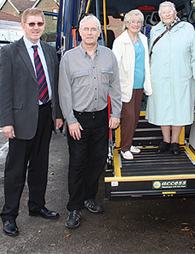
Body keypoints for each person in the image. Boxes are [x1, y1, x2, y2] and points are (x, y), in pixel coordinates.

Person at [0, 8, 63, 236]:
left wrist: (57, 114)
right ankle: (9, 216)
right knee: (15, 172)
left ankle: (37, 206)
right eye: (32, 24)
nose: (36, 27)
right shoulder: (9, 52)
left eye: (40, 24)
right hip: (20, 120)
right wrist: (6, 122)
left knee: (40, 166)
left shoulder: (49, 50)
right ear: (23, 25)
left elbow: (54, 84)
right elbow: (3, 90)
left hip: (45, 115)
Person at [58, 14, 122, 229]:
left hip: (102, 117)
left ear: (99, 32)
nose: (89, 33)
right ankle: (74, 207)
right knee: (77, 163)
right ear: (80, 32)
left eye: (93, 29)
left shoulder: (109, 56)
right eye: (85, 29)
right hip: (79, 119)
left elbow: (115, 86)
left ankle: (89, 198)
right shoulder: (69, 58)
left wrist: (116, 114)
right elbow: (64, 92)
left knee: (97, 161)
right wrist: (71, 120)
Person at [146, 1, 195, 156]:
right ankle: (165, 140)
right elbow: (150, 57)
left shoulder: (187, 29)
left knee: (179, 109)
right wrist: (148, 77)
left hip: (181, 76)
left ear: (175, 13)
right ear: (159, 15)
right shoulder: (154, 31)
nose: (167, 14)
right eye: (163, 12)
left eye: (169, 11)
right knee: (163, 109)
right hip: (160, 77)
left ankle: (175, 142)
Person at [112, 9, 153, 160]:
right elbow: (114, 64)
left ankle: (129, 144)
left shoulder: (143, 39)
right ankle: (124, 148)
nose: (136, 24)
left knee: (135, 117)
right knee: (128, 116)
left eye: (138, 22)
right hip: (125, 85)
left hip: (139, 84)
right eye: (132, 21)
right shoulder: (120, 41)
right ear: (126, 24)